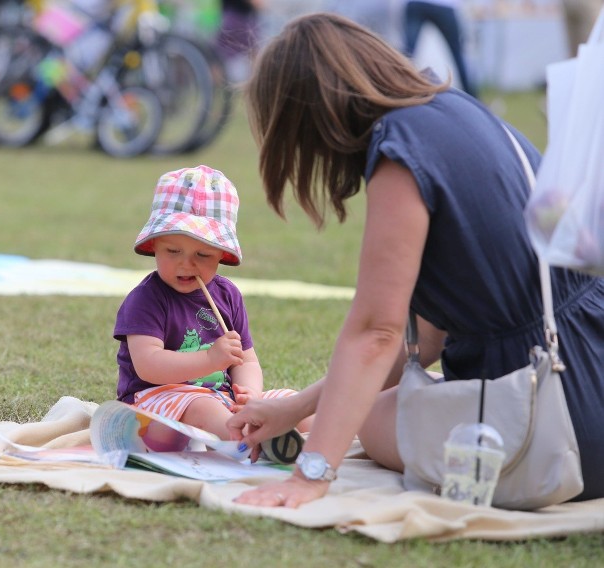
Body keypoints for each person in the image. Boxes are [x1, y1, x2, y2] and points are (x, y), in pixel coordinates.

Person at [225, 13, 604, 507]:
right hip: (589, 354)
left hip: (564, 421)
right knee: (371, 405)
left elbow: (377, 334)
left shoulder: (401, 153)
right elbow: (425, 338)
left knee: (374, 418)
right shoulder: (452, 108)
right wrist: (294, 408)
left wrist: (310, 475)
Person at [114, 165, 311, 453]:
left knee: (291, 401)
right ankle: (249, 443)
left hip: (222, 399)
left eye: (203, 254)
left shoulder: (228, 295)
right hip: (154, 403)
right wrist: (210, 359)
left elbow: (247, 360)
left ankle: (316, 442)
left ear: (221, 255)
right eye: (173, 251)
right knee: (203, 407)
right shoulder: (145, 299)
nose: (186, 263)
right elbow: (149, 365)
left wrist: (250, 393)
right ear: (154, 245)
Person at [403, 0, 477, 98]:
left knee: (407, 54)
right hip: (444, 5)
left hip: (418, 4)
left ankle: (397, 92)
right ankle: (474, 99)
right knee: (458, 55)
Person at [215, 0, 265, 83]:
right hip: (233, 69)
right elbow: (254, 52)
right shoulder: (241, 23)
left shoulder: (228, 17)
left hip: (226, 66)